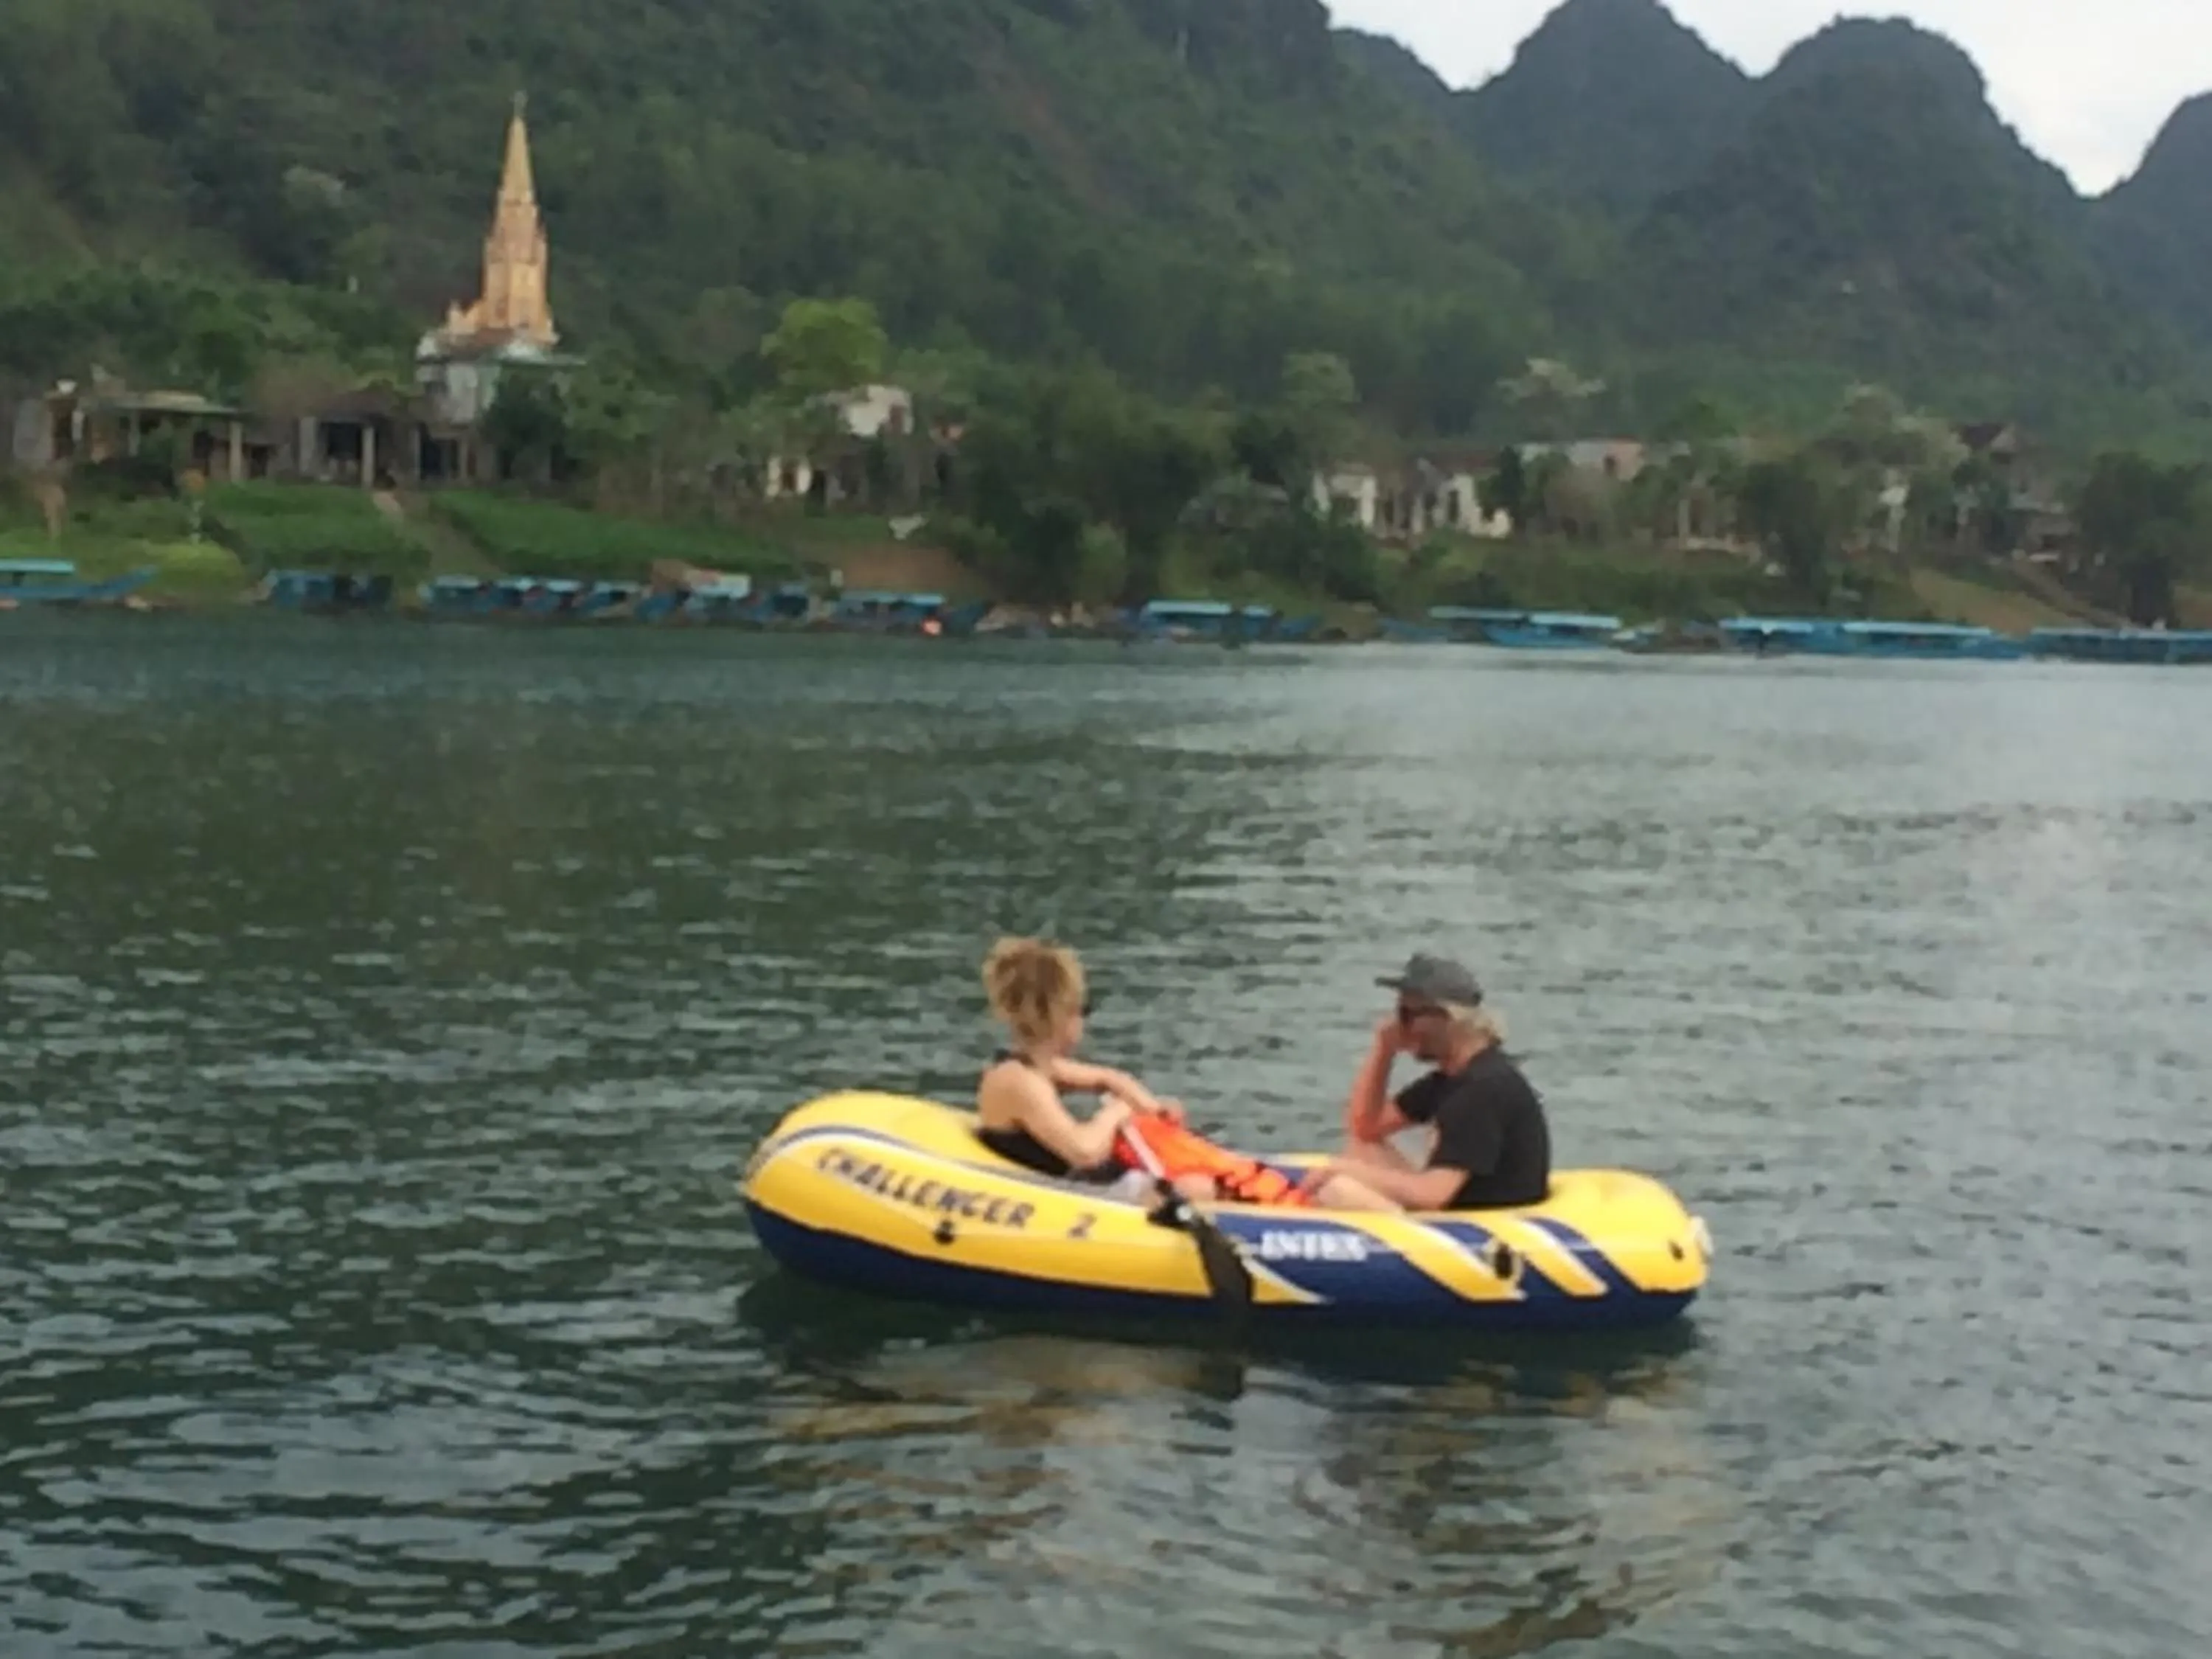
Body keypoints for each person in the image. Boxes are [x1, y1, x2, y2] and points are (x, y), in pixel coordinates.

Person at [1295, 953, 1551, 1214]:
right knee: (1363, 1149)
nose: (1399, 1027)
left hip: (1480, 1225)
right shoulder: (1450, 1079)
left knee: (1337, 1189)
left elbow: (1433, 1195)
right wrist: (1383, 1050)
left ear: (1449, 1018)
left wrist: (1344, 1170)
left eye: (1408, 1015)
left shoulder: (1481, 1091)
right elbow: (1365, 1128)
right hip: (1457, 1211)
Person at [975, 937, 1216, 1204]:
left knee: (1200, 1175)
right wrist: (1117, 1112)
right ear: (1060, 1015)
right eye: (1083, 1010)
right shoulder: (1019, 1082)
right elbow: (1085, 1152)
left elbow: (1109, 1079)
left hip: (1078, 1180)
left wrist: (1153, 1109)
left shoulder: (1035, 1067)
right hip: (1071, 1194)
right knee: (1198, 1188)